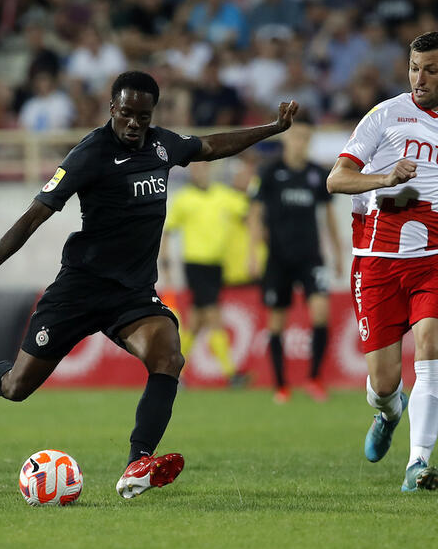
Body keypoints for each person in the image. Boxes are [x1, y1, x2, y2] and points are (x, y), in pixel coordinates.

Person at [0, 71, 298, 499]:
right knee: (16, 387)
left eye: (143, 116)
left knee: (168, 355)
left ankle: (137, 463)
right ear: (112, 108)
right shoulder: (89, 154)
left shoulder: (161, 144)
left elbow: (209, 146)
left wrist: (272, 128)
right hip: (79, 288)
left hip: (131, 294)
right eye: (127, 113)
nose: (134, 123)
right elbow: (34, 216)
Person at [327, 31, 438, 492]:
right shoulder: (386, 114)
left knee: (431, 346)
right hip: (377, 262)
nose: (421, 78)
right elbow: (337, 179)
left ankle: (418, 464)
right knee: (385, 381)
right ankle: (389, 411)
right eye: (415, 68)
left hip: (432, 259)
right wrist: (387, 176)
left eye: (431, 69)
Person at [248, 112, 342, 404]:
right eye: (296, 136)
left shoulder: (317, 174)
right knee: (276, 323)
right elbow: (255, 214)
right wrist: (252, 252)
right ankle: (281, 386)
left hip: (311, 257)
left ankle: (314, 379)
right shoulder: (269, 172)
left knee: (321, 313)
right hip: (278, 258)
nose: (300, 142)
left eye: (305, 137)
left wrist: (338, 251)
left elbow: (328, 216)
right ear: (287, 137)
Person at [160, 161, 249, 386]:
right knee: (213, 316)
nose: (200, 171)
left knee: (197, 322)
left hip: (217, 266)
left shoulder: (223, 195)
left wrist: (250, 183)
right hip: (196, 264)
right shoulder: (184, 199)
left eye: (204, 167)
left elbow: (248, 210)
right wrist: (166, 261)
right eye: (196, 167)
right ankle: (231, 374)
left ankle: (174, 372)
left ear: (210, 170)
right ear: (191, 171)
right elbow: (168, 231)